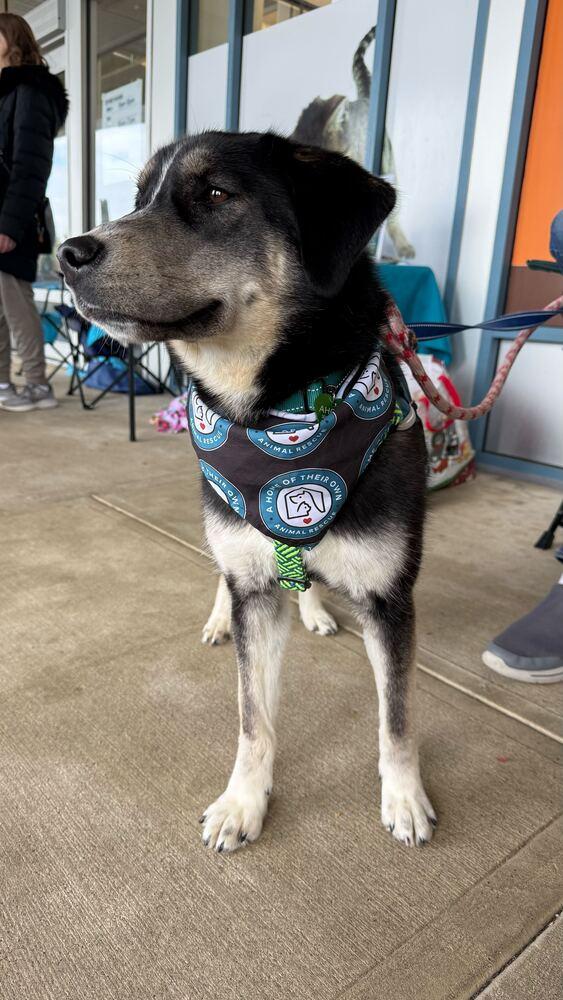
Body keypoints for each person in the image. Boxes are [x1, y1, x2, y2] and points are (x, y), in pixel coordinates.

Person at [0, 12, 68, 413]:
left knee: (17, 304)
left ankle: (38, 386)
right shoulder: (7, 93)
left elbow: (30, 166)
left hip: (13, 219)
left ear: (13, 39)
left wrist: (9, 224)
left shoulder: (31, 91)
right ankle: (3, 383)